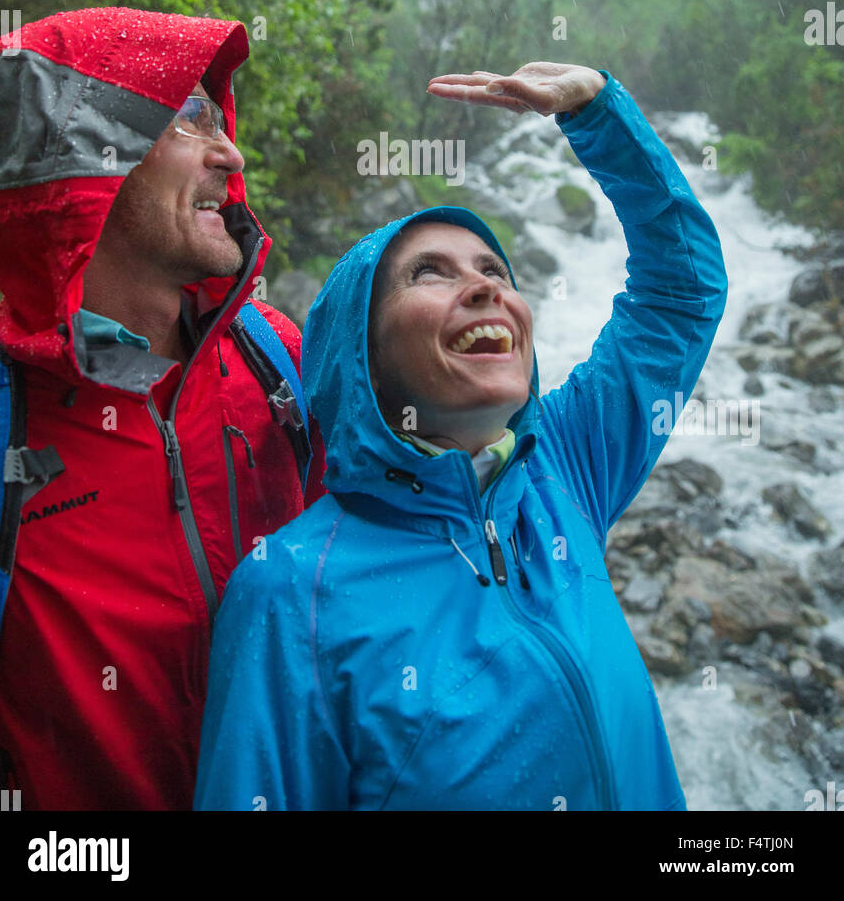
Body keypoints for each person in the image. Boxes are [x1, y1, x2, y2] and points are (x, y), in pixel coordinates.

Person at [194, 60, 728, 812]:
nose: (488, 289)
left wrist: (601, 115)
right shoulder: (289, 590)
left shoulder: (562, 470)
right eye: (430, 274)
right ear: (360, 354)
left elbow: (682, 292)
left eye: (492, 268)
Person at [0, 6, 327, 810]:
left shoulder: (275, 354)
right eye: (187, 118)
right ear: (79, 167)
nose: (230, 152)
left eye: (218, 115)